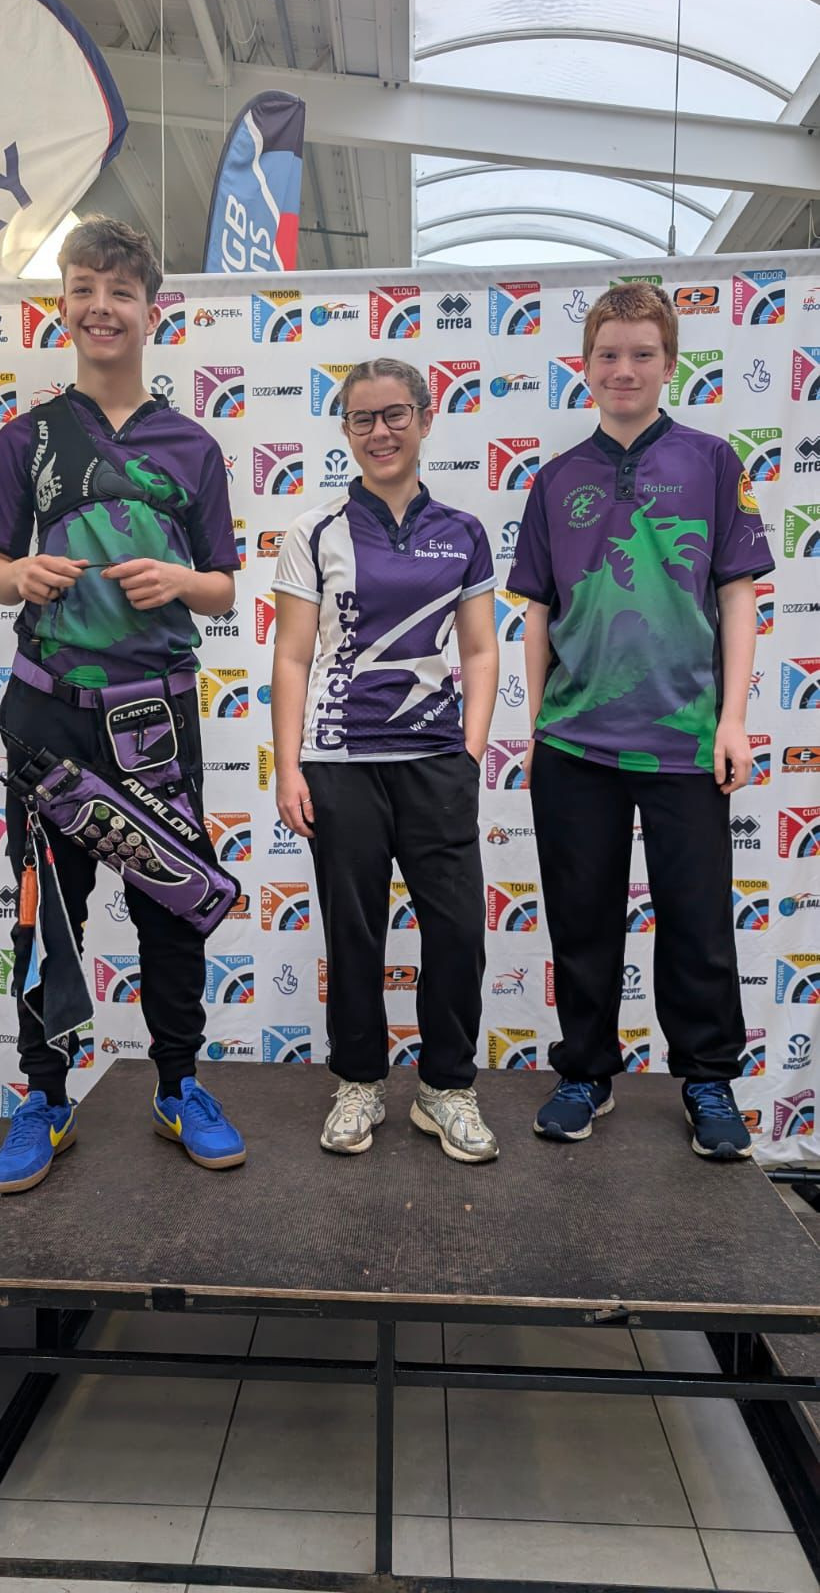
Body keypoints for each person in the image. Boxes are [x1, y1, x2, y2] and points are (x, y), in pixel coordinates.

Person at [0, 215, 246, 1192]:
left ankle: (180, 1085)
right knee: (47, 912)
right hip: (46, 710)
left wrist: (179, 579)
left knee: (170, 900)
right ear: (65, 304)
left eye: (120, 292)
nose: (102, 307)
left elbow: (224, 586)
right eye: (85, 288)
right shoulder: (27, 437)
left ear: (150, 310)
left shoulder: (194, 446)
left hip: (157, 717)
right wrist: (23, 574)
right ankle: (44, 1098)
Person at [508, 282, 774, 1160]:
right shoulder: (554, 481)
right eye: (608, 355)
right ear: (584, 367)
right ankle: (585, 1072)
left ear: (669, 363)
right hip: (576, 743)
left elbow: (737, 598)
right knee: (580, 919)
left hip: (688, 738)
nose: (624, 370)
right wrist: (538, 724)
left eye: (642, 354)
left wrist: (733, 719)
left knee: (698, 923)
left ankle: (707, 1081)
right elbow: (535, 613)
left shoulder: (710, 461)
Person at [271, 358, 500, 1163]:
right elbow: (293, 658)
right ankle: (361, 1082)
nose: (381, 432)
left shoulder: (464, 532)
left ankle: (446, 1090)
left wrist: (469, 753)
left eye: (396, 415)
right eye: (363, 419)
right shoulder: (314, 531)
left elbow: (479, 651)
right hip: (341, 762)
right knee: (356, 934)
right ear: (344, 431)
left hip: (437, 762)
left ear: (426, 419)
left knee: (457, 933)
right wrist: (287, 764)